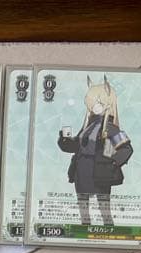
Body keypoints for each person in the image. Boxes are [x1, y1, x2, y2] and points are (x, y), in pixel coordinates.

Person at [57, 76, 133, 226]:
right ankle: (85, 228)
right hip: (81, 169)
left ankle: (108, 229)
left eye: (98, 102)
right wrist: (64, 140)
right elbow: (76, 146)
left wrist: (112, 163)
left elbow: (126, 149)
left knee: (104, 208)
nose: (94, 106)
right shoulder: (87, 126)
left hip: (100, 171)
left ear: (108, 102)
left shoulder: (111, 128)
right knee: (83, 206)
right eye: (91, 103)